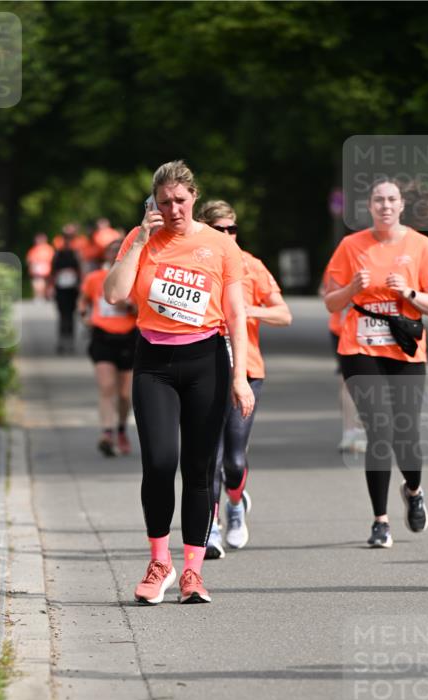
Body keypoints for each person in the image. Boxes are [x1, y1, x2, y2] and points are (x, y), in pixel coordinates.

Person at [104, 160, 254, 604]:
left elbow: (236, 314)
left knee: (199, 469)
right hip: (153, 361)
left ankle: (192, 571)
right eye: (164, 202)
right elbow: (114, 294)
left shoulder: (220, 247)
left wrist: (240, 376)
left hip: (205, 358)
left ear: (194, 199)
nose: (173, 210)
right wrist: (141, 241)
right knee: (160, 462)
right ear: (153, 202)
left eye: (181, 201)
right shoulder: (141, 239)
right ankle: (159, 561)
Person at [324, 178, 428, 548]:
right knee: (379, 432)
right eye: (379, 200)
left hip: (406, 350)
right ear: (369, 206)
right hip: (360, 348)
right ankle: (380, 521)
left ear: (402, 205)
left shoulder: (420, 246)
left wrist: (408, 292)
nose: (385, 206)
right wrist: (352, 289)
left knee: (406, 435)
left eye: (392, 199)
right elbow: (331, 302)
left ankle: (413, 489)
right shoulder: (351, 246)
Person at [197, 200, 292, 558]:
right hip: (204, 371)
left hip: (247, 371)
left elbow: (284, 315)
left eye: (231, 229)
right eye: (218, 230)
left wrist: (246, 310)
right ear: (205, 230)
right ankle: (211, 529)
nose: (226, 236)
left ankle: (236, 505)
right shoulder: (195, 264)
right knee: (211, 458)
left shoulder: (251, 266)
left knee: (234, 460)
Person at [79, 239, 138, 456]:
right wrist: (83, 314)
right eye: (111, 251)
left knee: (124, 394)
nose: (114, 255)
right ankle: (106, 433)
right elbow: (83, 300)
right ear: (105, 256)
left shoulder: (135, 277)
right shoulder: (94, 278)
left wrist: (130, 306)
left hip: (128, 339)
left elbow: (146, 310)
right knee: (106, 387)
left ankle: (121, 429)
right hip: (102, 337)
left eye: (119, 251)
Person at [318, 273, 366, 455]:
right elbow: (325, 291)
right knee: (346, 381)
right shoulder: (342, 257)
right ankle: (350, 431)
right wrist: (348, 293)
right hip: (342, 330)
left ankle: (364, 432)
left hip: (372, 331)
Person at [48, 227, 82, 355]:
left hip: (72, 289)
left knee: (71, 315)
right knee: (63, 315)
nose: (68, 240)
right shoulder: (58, 253)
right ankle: (62, 342)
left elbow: (80, 269)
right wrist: (50, 287)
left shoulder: (76, 253)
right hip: (60, 288)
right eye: (66, 237)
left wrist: (80, 285)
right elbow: (52, 271)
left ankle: (70, 342)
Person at [26, 233, 54, 299]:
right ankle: (40, 295)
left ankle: (42, 295)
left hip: (45, 268)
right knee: (38, 281)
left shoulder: (48, 249)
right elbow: (30, 260)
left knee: (41, 282)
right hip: (38, 268)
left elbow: (52, 260)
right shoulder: (34, 249)